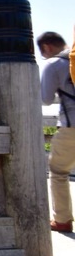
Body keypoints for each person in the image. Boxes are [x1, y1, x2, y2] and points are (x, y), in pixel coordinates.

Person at [38, 31, 75, 232]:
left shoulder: (53, 65)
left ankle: (62, 220)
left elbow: (45, 98)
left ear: (46, 47)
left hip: (71, 126)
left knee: (59, 172)